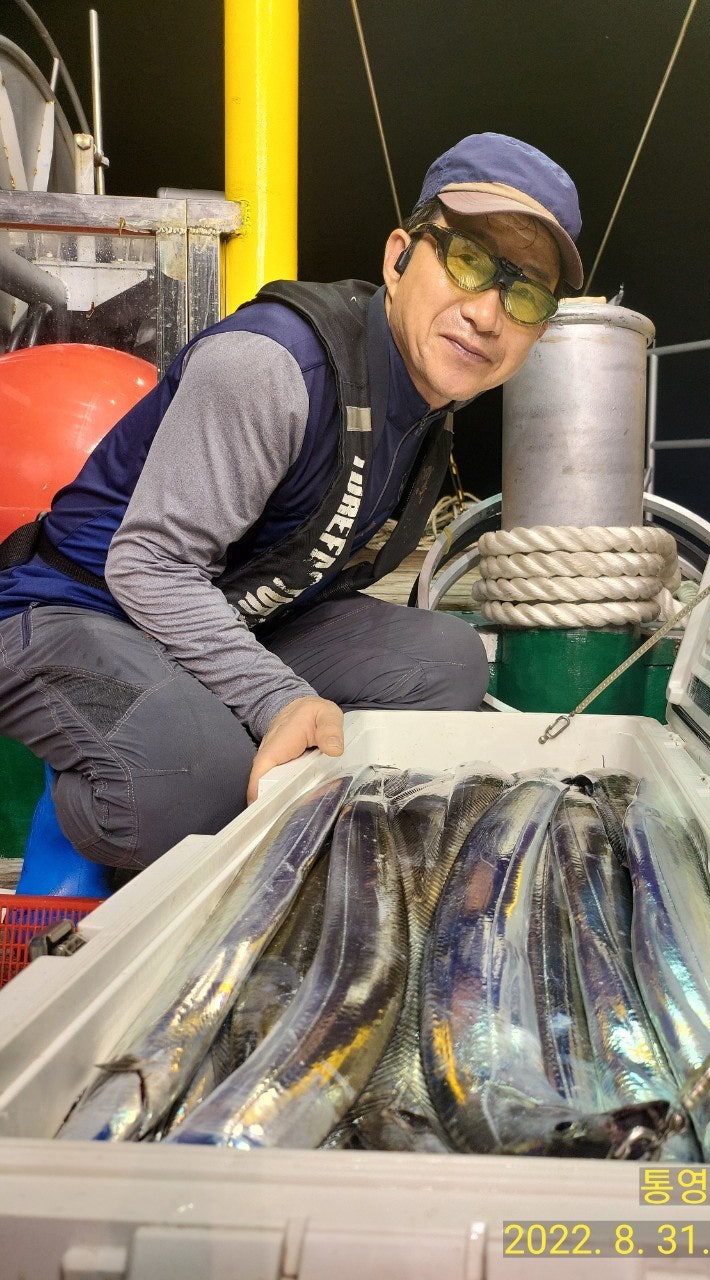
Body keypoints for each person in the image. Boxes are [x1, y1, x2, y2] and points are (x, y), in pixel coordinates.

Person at [0, 132, 584, 872]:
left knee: (448, 661)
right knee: (193, 784)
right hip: (72, 606)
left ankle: (197, 737)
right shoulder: (274, 366)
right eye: (468, 260)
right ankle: (115, 785)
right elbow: (148, 565)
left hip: (218, 614)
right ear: (399, 257)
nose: (488, 314)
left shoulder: (425, 414)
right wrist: (275, 699)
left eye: (525, 294)